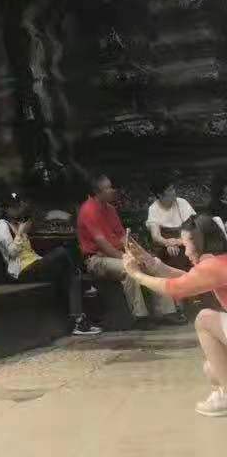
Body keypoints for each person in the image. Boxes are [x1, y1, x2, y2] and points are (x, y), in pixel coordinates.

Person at [123, 215, 227, 416]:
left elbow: (175, 288)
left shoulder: (214, 266)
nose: (185, 251)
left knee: (204, 319)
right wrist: (149, 262)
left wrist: (136, 275)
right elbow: (189, 280)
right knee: (212, 369)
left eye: (186, 244)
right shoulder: (219, 262)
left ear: (200, 242)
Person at [0, 194, 100, 336]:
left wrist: (23, 230)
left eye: (18, 205)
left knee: (71, 275)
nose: (18, 209)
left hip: (35, 264)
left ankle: (79, 322)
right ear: (6, 209)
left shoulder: (18, 223)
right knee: (63, 252)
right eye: (14, 207)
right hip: (22, 271)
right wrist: (20, 233)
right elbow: (12, 252)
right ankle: (86, 288)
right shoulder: (1, 226)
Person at [77, 173, 178, 325]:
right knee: (129, 268)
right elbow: (104, 245)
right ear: (98, 192)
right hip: (96, 259)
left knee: (153, 263)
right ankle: (140, 316)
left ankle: (168, 312)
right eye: (108, 188)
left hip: (117, 254)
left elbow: (123, 237)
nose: (113, 190)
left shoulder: (110, 209)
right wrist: (129, 258)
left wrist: (142, 255)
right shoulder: (88, 211)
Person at [146, 180, 195, 269]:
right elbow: (156, 236)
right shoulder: (153, 209)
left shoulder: (182, 203)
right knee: (172, 255)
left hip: (185, 242)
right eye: (170, 190)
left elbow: (192, 229)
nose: (174, 192)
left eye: (173, 189)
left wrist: (177, 242)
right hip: (165, 246)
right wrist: (168, 243)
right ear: (160, 195)